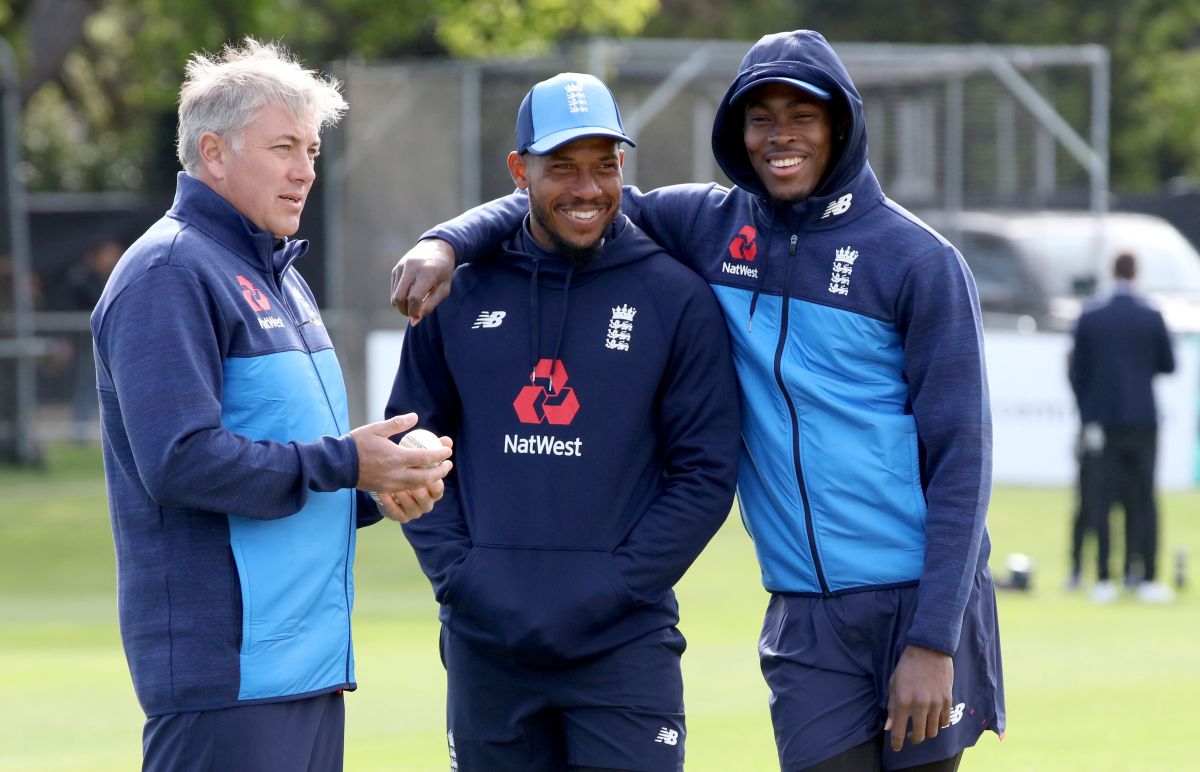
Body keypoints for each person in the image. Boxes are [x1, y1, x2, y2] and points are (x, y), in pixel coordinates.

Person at [392, 30, 1005, 771]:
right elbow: (570, 200)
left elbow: (963, 460)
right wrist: (447, 242)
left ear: (841, 124)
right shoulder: (712, 225)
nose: (781, 136)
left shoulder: (921, 260)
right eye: (761, 119)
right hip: (804, 608)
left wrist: (934, 638)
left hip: (916, 600)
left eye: (803, 116)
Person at [90, 39, 453, 772]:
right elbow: (179, 462)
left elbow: (285, 461)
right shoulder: (169, 271)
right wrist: (346, 462)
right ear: (214, 153)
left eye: (312, 150)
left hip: (305, 672)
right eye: (284, 147)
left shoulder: (280, 276)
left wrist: (372, 487)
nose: (305, 170)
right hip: (227, 681)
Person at [386, 72, 740, 771]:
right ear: (520, 171)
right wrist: (463, 575)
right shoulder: (458, 290)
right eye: (563, 167)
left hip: (623, 646)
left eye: (604, 165)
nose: (587, 188)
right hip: (487, 645)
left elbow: (704, 473)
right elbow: (412, 448)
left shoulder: (676, 297)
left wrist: (615, 586)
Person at [1068, 251, 1176, 604]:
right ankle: (1145, 576)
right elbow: (1168, 364)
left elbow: (1077, 372)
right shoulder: (1151, 315)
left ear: (1111, 272)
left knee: (1101, 498)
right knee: (1143, 498)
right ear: (1136, 273)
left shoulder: (1091, 316)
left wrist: (1088, 415)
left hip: (1103, 421)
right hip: (1143, 420)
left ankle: (1103, 576)